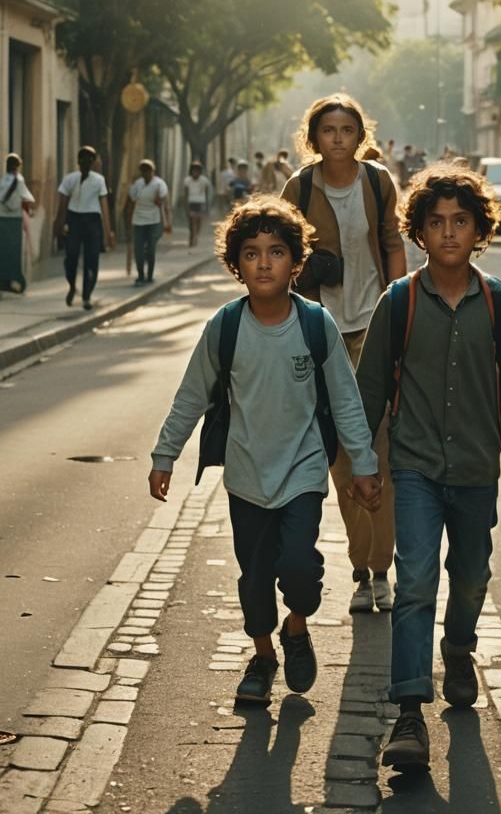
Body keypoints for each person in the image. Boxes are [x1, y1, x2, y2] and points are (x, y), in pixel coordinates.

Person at [354, 162, 501, 772]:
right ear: (419, 231)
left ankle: (460, 645)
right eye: (436, 222)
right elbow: (368, 390)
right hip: (413, 467)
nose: (448, 233)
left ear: (478, 230)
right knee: (416, 585)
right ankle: (410, 712)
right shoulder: (399, 301)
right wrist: (365, 461)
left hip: (474, 468)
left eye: (460, 222)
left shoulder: (495, 300)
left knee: (471, 576)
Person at [147, 196, 378, 704]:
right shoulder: (225, 327)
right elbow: (191, 396)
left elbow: (345, 399)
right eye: (251, 253)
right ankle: (264, 656)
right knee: (253, 578)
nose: (264, 262)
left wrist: (364, 464)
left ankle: (296, 626)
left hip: (302, 472)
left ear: (296, 262)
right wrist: (165, 455)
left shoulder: (316, 324)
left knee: (298, 566)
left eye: (276, 252)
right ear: (237, 265)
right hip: (247, 474)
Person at [280, 94, 407, 614]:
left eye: (347, 129)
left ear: (360, 135)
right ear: (315, 137)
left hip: (375, 330)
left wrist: (400, 310)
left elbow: (394, 244)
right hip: (322, 334)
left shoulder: (377, 183)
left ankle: (383, 569)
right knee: (341, 457)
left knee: (381, 454)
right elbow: (282, 252)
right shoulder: (300, 187)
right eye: (328, 129)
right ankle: (361, 569)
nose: (338, 137)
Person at [52, 145, 115, 311]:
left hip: (92, 221)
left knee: (91, 260)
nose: (86, 163)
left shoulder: (98, 180)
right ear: (78, 162)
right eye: (83, 160)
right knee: (71, 257)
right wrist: (58, 225)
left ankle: (87, 295)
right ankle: (72, 285)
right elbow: (63, 204)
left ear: (93, 162)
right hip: (74, 219)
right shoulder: (70, 179)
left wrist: (108, 233)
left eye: (89, 160)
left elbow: (104, 207)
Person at [0, 153, 35, 293]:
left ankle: (2, 280)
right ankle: (17, 279)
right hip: (12, 220)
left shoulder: (1, 179)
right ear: (17, 166)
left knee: (1, 251)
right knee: (13, 251)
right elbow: (27, 198)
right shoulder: (18, 180)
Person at [126, 159, 172, 285]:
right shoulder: (137, 185)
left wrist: (168, 222)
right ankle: (140, 275)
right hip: (139, 220)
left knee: (151, 249)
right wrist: (128, 222)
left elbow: (163, 203)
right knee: (139, 250)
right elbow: (131, 203)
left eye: (148, 170)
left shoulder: (159, 184)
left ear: (153, 171)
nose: (146, 173)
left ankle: (149, 275)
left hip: (154, 220)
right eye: (144, 171)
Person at [182, 161, 213, 248]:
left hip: (200, 202)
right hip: (191, 202)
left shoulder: (204, 180)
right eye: (194, 170)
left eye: (197, 170)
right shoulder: (187, 180)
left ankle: (196, 236)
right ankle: (192, 237)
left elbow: (207, 192)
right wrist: (186, 205)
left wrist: (207, 205)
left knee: (198, 222)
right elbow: (186, 193)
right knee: (192, 222)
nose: (195, 172)